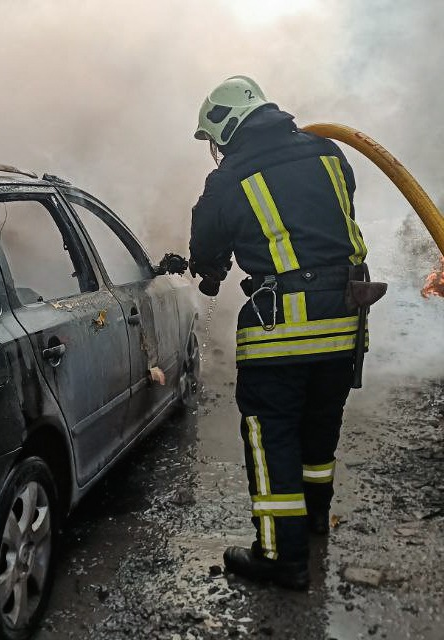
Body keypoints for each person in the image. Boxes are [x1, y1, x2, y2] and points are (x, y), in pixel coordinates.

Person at [188, 75, 383, 590]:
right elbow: (326, 222)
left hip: (281, 329)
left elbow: (207, 247)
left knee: (270, 433)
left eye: (216, 140)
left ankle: (280, 556)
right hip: (345, 320)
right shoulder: (328, 153)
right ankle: (314, 519)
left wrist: (207, 271)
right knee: (320, 427)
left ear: (227, 127)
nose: (217, 151)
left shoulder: (228, 179)